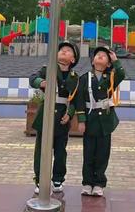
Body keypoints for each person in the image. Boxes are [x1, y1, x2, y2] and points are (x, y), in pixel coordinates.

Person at [30, 41, 80, 194]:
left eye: (68, 51)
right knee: (41, 150)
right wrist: (41, 82)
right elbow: (33, 79)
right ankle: (40, 179)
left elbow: (75, 99)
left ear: (73, 59)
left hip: (62, 118)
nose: (64, 51)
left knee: (60, 151)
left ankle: (58, 179)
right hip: (46, 113)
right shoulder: (48, 69)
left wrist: (70, 114)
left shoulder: (75, 77)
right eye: (61, 50)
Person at [76, 46, 125, 196]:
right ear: (92, 60)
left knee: (103, 154)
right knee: (89, 153)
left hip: (105, 121)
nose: (100, 57)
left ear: (108, 63)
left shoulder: (110, 77)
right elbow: (79, 101)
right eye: (98, 55)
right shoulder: (84, 78)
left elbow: (121, 74)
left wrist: (116, 61)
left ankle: (99, 183)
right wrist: (81, 120)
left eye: (104, 56)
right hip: (90, 120)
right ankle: (87, 182)